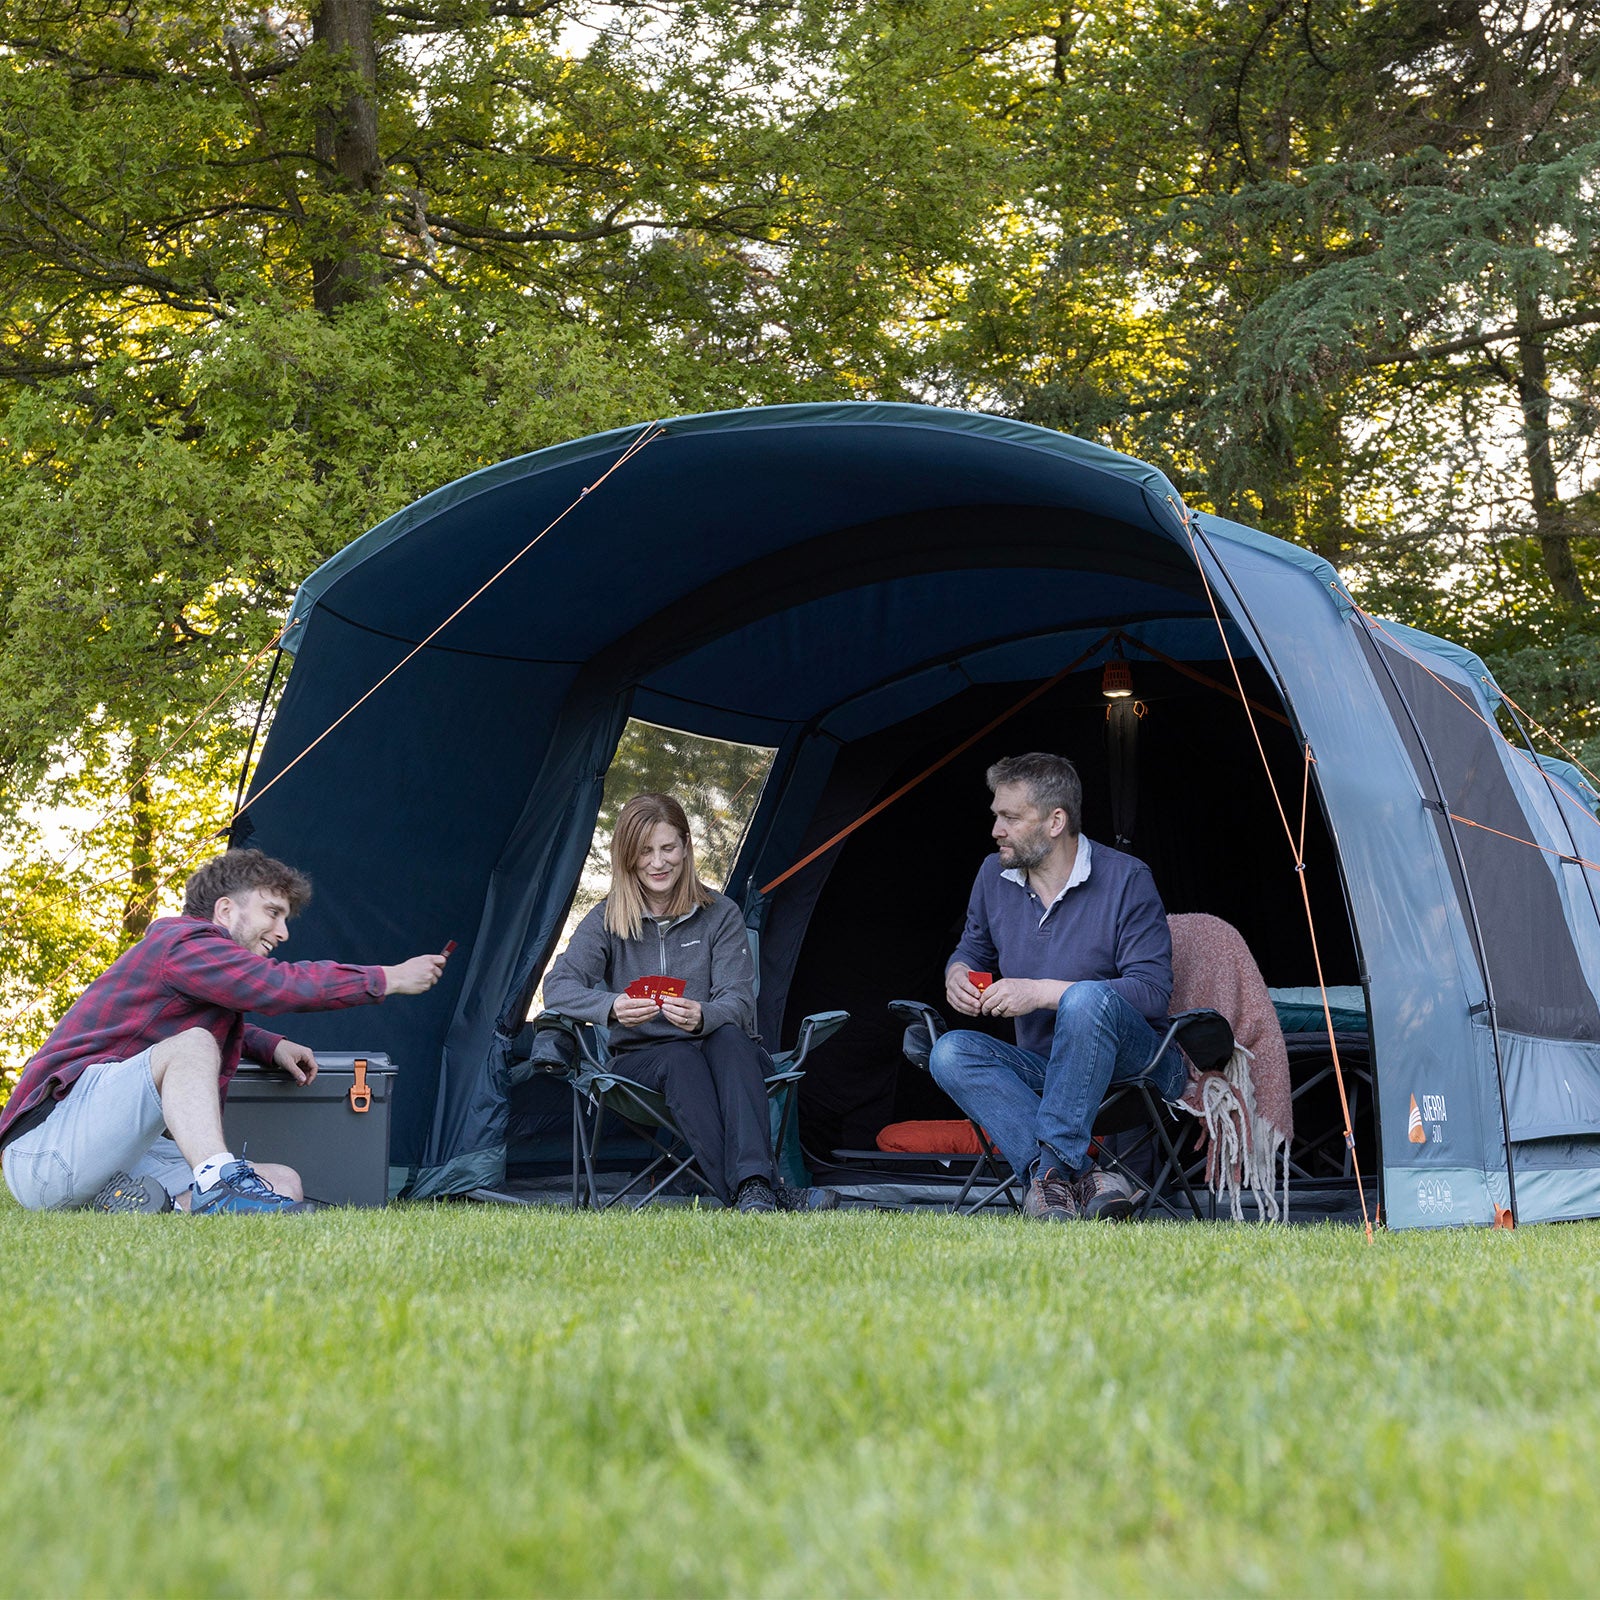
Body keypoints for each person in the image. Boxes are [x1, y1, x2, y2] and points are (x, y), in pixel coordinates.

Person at [0, 848, 449, 1215]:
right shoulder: (183, 943)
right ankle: (218, 1185)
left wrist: (268, 1044)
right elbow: (277, 986)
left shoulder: (195, 968)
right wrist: (387, 978)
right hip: (45, 1154)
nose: (283, 931)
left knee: (282, 1184)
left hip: (103, 1161)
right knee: (195, 1044)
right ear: (225, 908)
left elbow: (165, 1021)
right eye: (273, 912)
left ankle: (150, 1209)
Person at [929, 752, 1182, 1222]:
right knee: (949, 1051)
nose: (996, 830)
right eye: (996, 816)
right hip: (1046, 1069)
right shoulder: (992, 876)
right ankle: (1077, 1177)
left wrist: (1042, 991)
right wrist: (956, 974)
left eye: (1010, 817)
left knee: (1085, 998)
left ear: (1055, 821)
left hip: (1138, 1068)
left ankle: (1048, 1176)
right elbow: (972, 949)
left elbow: (1150, 992)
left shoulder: (1128, 879)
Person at [544, 791, 817, 1213]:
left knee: (730, 1038)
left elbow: (739, 1001)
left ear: (686, 848)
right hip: (642, 1062)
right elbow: (558, 985)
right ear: (628, 857)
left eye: (668, 848)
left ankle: (755, 1190)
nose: (658, 862)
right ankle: (758, 1191)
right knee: (678, 1059)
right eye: (645, 851)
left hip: (722, 1052)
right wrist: (611, 1006)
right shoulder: (607, 918)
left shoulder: (720, 913)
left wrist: (703, 1015)